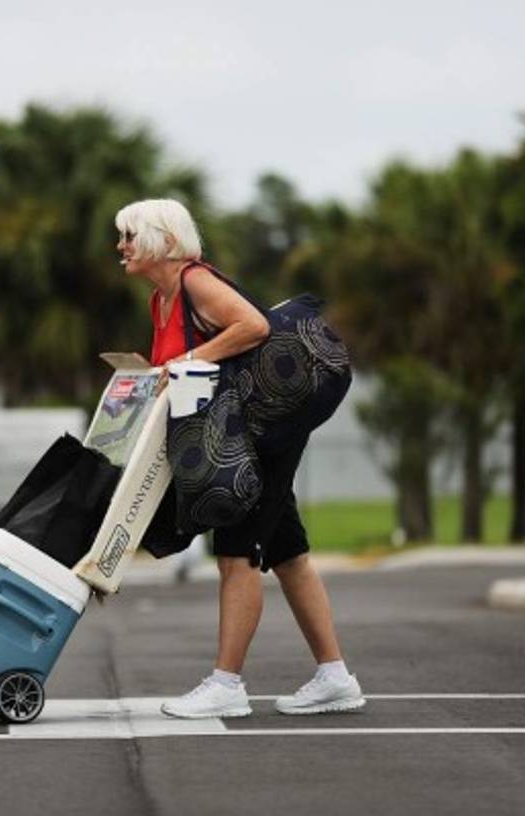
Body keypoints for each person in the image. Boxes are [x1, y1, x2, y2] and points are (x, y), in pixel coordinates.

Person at [116, 199, 364, 718]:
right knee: (287, 551)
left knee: (237, 549)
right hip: (243, 430)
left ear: (161, 239)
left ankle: (227, 684)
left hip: (264, 429)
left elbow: (252, 326)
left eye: (129, 236)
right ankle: (335, 677)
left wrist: (185, 360)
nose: (121, 246)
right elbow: (179, 371)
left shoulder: (193, 282)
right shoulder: (160, 302)